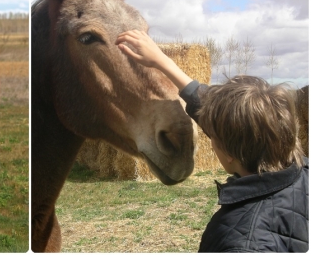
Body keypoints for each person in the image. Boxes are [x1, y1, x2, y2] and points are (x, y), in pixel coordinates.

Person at [115, 29, 309, 253]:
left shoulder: (242, 243)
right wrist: (162, 61)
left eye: (212, 136)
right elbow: (224, 117)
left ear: (229, 154)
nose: (209, 136)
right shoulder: (302, 171)